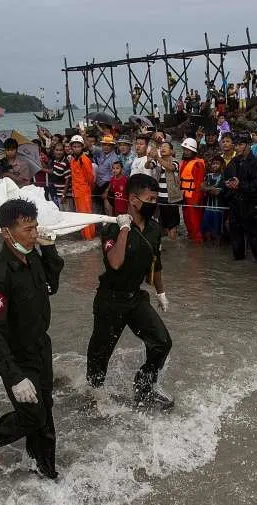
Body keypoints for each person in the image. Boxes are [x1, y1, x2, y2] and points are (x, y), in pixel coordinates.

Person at [0, 199, 64, 479]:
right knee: (34, 416)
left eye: (35, 226)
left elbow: (51, 285)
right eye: (28, 229)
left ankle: (44, 468)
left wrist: (49, 249)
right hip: (18, 356)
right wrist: (14, 376)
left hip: (41, 347)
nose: (34, 233)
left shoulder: (33, 256)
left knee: (45, 411)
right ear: (7, 233)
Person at [86, 174, 173, 409]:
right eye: (150, 198)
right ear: (134, 200)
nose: (154, 203)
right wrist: (124, 229)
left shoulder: (154, 228)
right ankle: (95, 395)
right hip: (110, 300)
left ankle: (143, 387)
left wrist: (161, 292)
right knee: (100, 354)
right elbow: (115, 262)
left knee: (162, 342)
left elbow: (156, 263)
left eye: (156, 198)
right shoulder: (112, 227)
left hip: (135, 298)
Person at [220, 133, 257, 262]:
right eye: (236, 145)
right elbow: (225, 180)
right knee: (236, 239)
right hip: (235, 205)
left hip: (251, 205)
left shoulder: (256, 163)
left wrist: (240, 185)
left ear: (248, 145)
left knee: (254, 236)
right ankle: (239, 262)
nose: (238, 147)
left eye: (241, 144)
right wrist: (228, 184)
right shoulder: (233, 162)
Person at [69, 135, 97, 240]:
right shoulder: (73, 160)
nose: (76, 148)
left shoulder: (84, 160)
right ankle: (86, 237)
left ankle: (89, 238)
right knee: (81, 216)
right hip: (76, 192)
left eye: (78, 146)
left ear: (82, 147)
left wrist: (87, 189)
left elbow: (90, 177)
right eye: (74, 146)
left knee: (87, 216)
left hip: (84, 192)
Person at [155, 141, 182, 239]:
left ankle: (173, 245)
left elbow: (170, 168)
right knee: (164, 225)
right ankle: (169, 247)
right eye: (161, 147)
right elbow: (147, 166)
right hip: (159, 198)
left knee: (172, 225)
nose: (162, 148)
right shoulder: (157, 161)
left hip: (171, 198)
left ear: (171, 151)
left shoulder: (175, 161)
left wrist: (157, 158)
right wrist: (150, 158)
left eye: (165, 147)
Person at [201, 154, 225, 243]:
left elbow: (217, 192)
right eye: (213, 163)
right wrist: (211, 188)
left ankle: (217, 249)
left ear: (222, 165)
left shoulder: (223, 177)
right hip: (208, 208)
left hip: (219, 209)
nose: (215, 165)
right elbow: (202, 187)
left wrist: (208, 188)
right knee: (206, 230)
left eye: (217, 163)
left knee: (218, 231)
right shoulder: (208, 175)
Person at [93, 135, 119, 214]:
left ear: (112, 146)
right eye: (104, 145)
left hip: (107, 185)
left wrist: (107, 190)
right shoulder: (102, 153)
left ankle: (108, 225)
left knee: (107, 209)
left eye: (108, 145)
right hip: (99, 184)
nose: (106, 147)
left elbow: (115, 176)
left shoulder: (114, 158)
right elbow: (90, 147)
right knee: (98, 206)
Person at [48, 143, 72, 210]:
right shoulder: (55, 161)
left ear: (64, 151)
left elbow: (68, 180)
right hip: (57, 194)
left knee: (67, 215)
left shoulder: (65, 163)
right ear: (54, 151)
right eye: (57, 150)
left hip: (65, 196)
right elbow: (53, 171)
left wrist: (64, 195)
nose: (59, 152)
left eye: (61, 150)